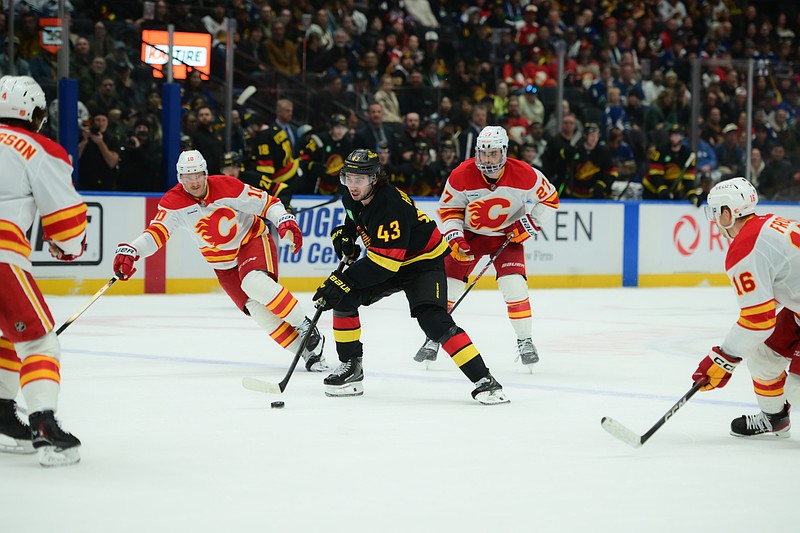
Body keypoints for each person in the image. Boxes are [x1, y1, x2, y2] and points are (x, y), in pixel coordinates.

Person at [312, 149, 509, 404]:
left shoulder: (390, 204)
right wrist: (346, 233)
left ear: (374, 178)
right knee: (343, 300)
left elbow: (384, 265)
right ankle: (351, 367)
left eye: (359, 179)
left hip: (422, 263)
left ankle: (485, 381)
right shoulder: (352, 196)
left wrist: (344, 280)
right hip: (391, 259)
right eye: (348, 177)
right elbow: (357, 219)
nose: (352, 185)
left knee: (434, 321)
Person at [113, 150, 328, 373]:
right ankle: (307, 352)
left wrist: (283, 219)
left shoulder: (227, 186)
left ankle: (305, 325)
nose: (194, 182)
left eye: (197, 175)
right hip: (224, 266)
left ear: (205, 173)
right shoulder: (173, 203)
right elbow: (157, 232)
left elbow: (267, 203)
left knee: (253, 282)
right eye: (188, 177)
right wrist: (132, 250)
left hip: (251, 241)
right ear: (180, 178)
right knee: (259, 313)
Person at [416, 126, 560, 372]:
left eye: (493, 154)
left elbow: (550, 199)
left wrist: (527, 224)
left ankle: (525, 340)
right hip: (471, 236)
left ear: (504, 152)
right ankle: (434, 335)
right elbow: (449, 210)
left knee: (514, 286)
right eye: (483, 154)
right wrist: (455, 238)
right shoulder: (462, 174)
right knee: (449, 286)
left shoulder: (525, 174)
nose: (487, 160)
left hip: (507, 237)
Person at [0, 76, 87, 467]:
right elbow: (67, 220)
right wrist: (69, 247)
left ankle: (2, 416)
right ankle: (45, 427)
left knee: (5, 336)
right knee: (38, 343)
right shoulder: (38, 148)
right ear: (35, 115)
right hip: (3, 256)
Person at [692, 177, 798, 438]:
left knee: (796, 389)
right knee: (763, 356)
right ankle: (774, 418)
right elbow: (770, 299)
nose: (715, 223)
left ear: (727, 213)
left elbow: (759, 321)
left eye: (715, 213)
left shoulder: (746, 246)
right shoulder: (768, 224)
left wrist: (722, 358)